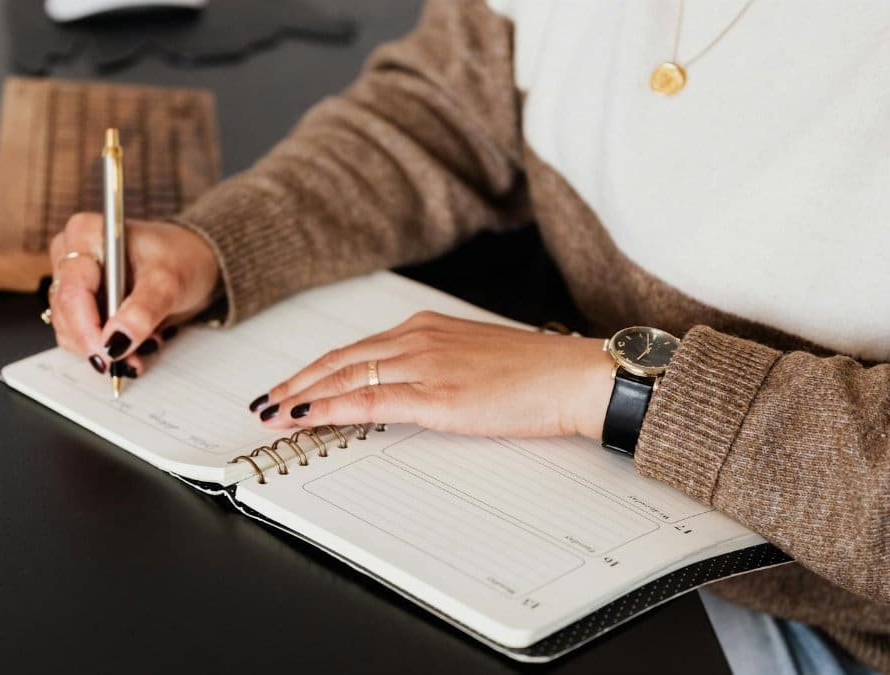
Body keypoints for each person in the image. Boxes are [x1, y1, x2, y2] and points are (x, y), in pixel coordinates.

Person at [43, 1, 889, 672]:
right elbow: (443, 110)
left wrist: (614, 386)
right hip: (604, 516)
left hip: (822, 621)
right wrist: (215, 245)